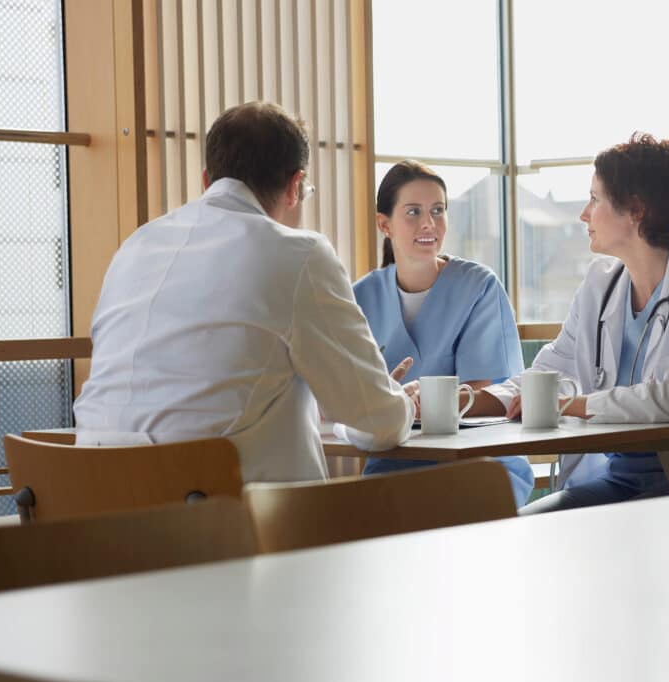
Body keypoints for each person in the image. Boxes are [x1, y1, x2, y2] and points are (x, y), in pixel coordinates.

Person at [74, 102, 414, 482]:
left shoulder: (136, 246)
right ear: (295, 186)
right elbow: (377, 420)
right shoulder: (298, 254)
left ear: (206, 179)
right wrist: (401, 404)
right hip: (221, 521)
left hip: (94, 507)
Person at [468, 133, 669, 513]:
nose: (584, 214)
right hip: (615, 482)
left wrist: (575, 405)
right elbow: (548, 372)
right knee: (518, 528)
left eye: (595, 199)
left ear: (635, 209)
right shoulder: (599, 284)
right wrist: (465, 404)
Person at [353, 161, 533, 505]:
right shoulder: (361, 297)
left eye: (438, 210)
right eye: (413, 212)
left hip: (478, 464)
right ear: (384, 223)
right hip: (394, 465)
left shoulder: (479, 287)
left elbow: (489, 392)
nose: (428, 223)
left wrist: (414, 402)